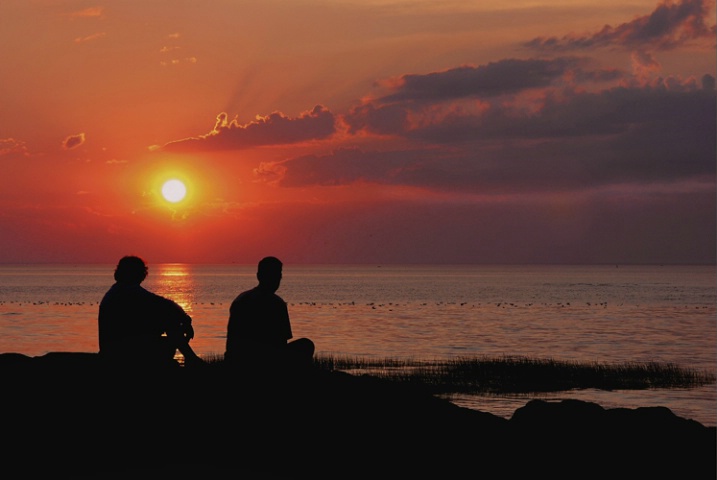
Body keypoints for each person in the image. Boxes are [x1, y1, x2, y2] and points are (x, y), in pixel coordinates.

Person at [98, 255, 205, 368]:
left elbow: (161, 305)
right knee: (170, 321)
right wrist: (185, 318)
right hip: (122, 353)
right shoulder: (127, 292)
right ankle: (191, 358)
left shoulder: (117, 291)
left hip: (117, 349)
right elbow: (165, 304)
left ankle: (190, 358)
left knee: (168, 320)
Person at [225, 256, 315, 372]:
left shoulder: (241, 299)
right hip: (264, 360)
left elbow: (232, 340)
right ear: (260, 276)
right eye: (276, 275)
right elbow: (281, 342)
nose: (278, 279)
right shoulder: (277, 303)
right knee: (306, 345)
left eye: (278, 275)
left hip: (238, 358)